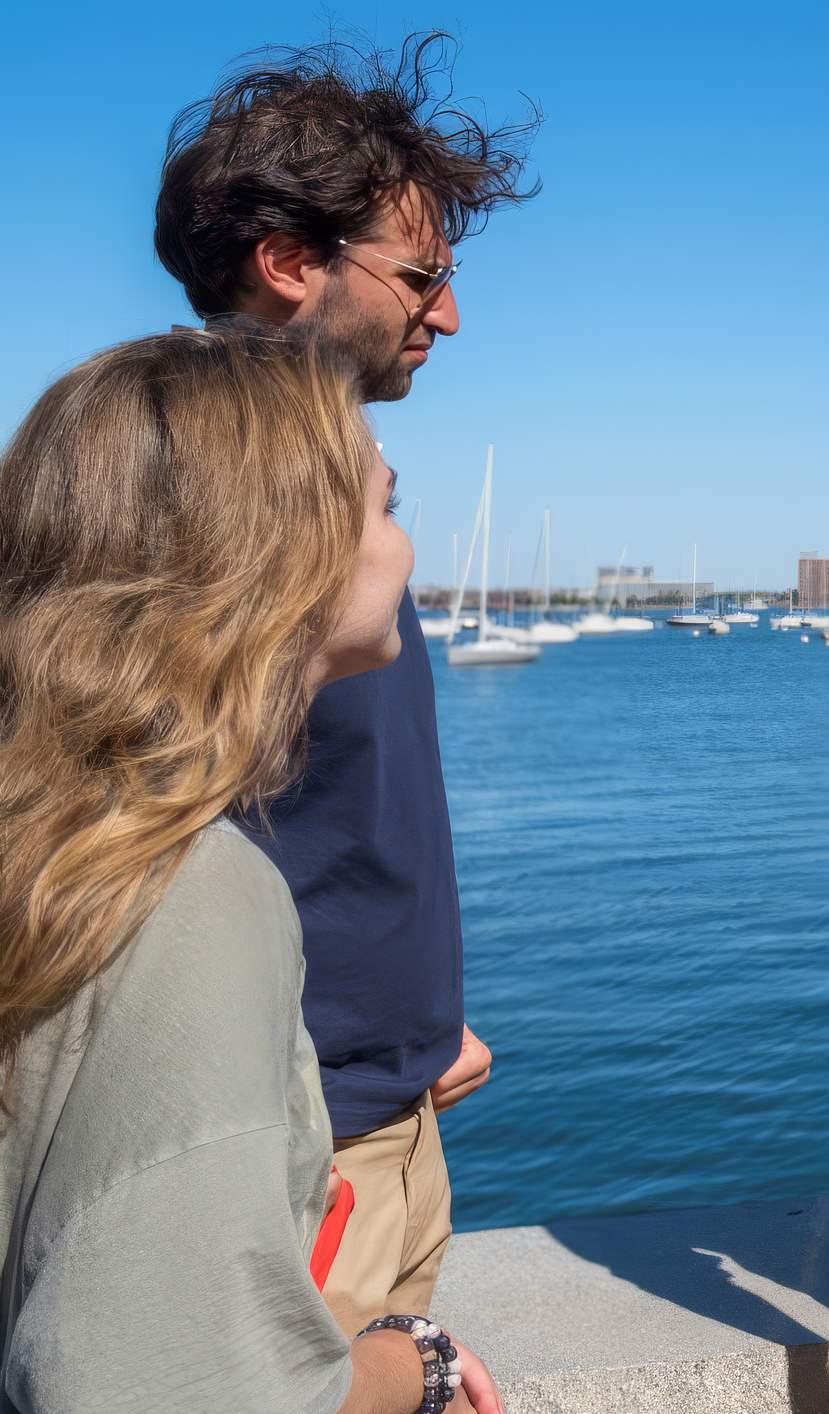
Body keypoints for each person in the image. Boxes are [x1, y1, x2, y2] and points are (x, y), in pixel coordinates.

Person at [0, 326, 501, 1411]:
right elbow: (173, 1383)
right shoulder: (194, 892)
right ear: (282, 552)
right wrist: (407, 1363)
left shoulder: (57, 834)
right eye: (386, 510)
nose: (405, 554)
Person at [151, 34, 537, 1335]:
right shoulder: (198, 492)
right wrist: (330, 1071)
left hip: (384, 1107)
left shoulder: (327, 482)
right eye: (422, 275)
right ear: (290, 263)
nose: (449, 312)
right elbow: (129, 838)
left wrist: (415, 1029)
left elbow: (316, 805)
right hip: (297, 1149)